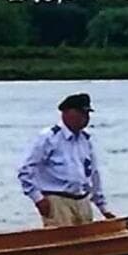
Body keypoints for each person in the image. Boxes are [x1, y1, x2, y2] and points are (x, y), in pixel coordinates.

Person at [18, 92, 117, 227]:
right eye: (81, 113)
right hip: (57, 200)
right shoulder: (49, 138)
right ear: (67, 113)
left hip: (82, 200)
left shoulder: (86, 140)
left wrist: (103, 208)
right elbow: (26, 170)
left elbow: (93, 175)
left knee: (86, 243)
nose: (85, 118)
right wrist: (38, 199)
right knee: (59, 240)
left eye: (87, 114)